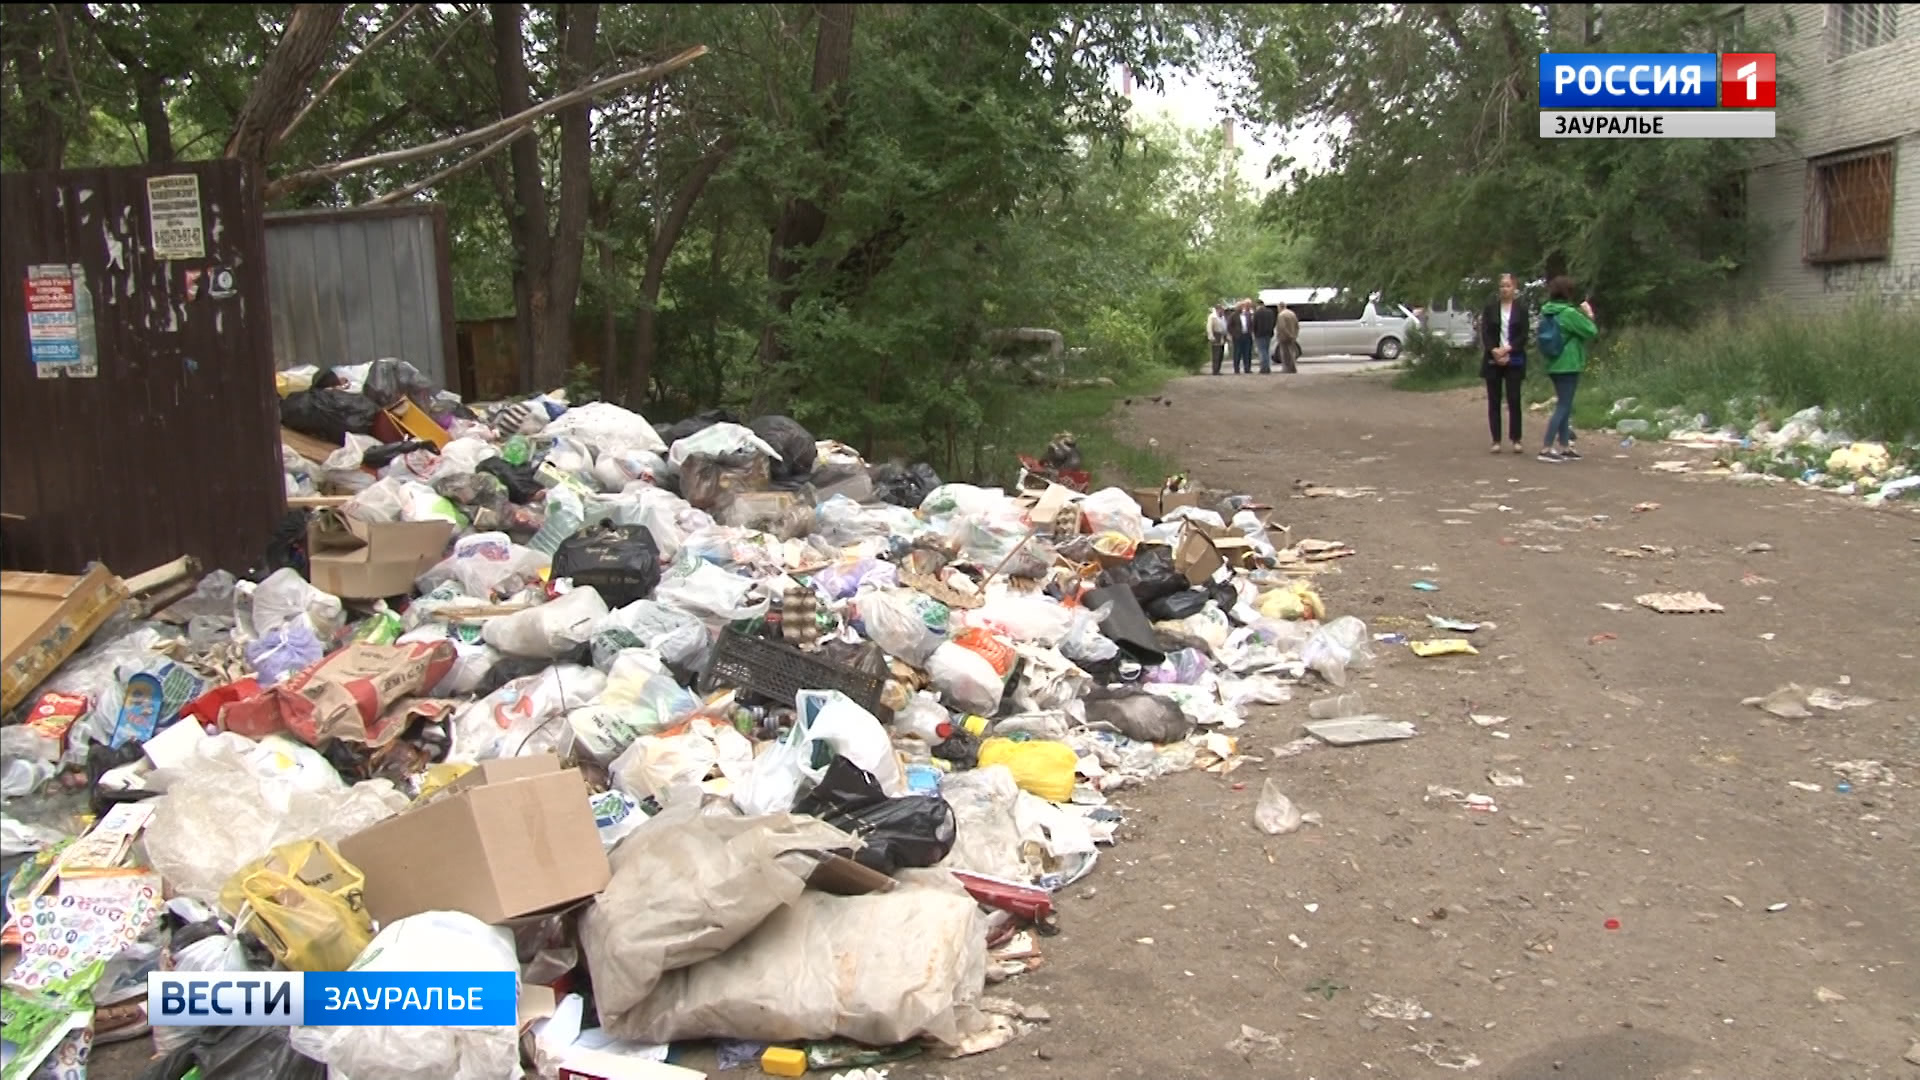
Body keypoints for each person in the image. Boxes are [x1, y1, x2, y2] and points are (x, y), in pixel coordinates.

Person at [1537, 276, 1598, 463]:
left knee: (1565, 404)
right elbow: (1591, 331)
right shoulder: (1569, 313)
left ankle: (1564, 446)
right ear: (1568, 293)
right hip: (1569, 363)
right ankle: (1546, 447)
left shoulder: (1547, 311)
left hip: (1553, 362)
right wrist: (1588, 314)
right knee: (1563, 406)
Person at [1479, 273, 1529, 454]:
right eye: (1501, 286)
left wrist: (1508, 349)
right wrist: (1494, 350)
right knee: (1494, 400)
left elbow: (1524, 334)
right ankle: (1496, 440)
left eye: (1508, 286)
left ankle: (1516, 438)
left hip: (1513, 358)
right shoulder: (1491, 308)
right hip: (1493, 358)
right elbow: (1485, 331)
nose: (1504, 289)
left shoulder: (1521, 309)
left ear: (1514, 287)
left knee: (1514, 399)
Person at [1227, 300, 1256, 375]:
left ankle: (1247, 368)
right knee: (1237, 353)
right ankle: (1237, 369)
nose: (1241, 308)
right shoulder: (1233, 315)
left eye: (1242, 306)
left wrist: (1251, 332)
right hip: (1238, 337)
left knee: (1247, 353)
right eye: (1240, 306)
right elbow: (1229, 326)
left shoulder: (1248, 314)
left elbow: (1251, 324)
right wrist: (1234, 334)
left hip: (1247, 335)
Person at [1252, 300, 1278, 374]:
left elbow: (1254, 324)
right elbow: (1273, 322)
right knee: (1267, 350)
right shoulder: (1270, 312)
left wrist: (1254, 333)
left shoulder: (1257, 313)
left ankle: (1264, 368)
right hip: (1268, 334)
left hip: (1260, 334)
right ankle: (1268, 367)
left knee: (1262, 351)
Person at [1274, 300, 1300, 374]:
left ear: (1280, 307)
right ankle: (1293, 368)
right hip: (1292, 337)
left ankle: (1286, 369)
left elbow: (1282, 327)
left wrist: (1288, 335)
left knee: (1285, 354)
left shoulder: (1281, 315)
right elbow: (1297, 326)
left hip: (1284, 337)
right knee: (1291, 352)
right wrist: (1294, 335)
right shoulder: (1292, 314)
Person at [1207, 304, 1229, 375]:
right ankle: (1215, 370)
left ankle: (1218, 369)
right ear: (1217, 309)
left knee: (1221, 354)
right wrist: (1211, 336)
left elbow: (1225, 326)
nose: (1222, 311)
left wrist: (1227, 335)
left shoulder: (1222, 317)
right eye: (1221, 309)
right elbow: (1209, 327)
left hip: (1222, 336)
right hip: (1216, 335)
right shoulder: (1212, 317)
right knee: (1216, 354)